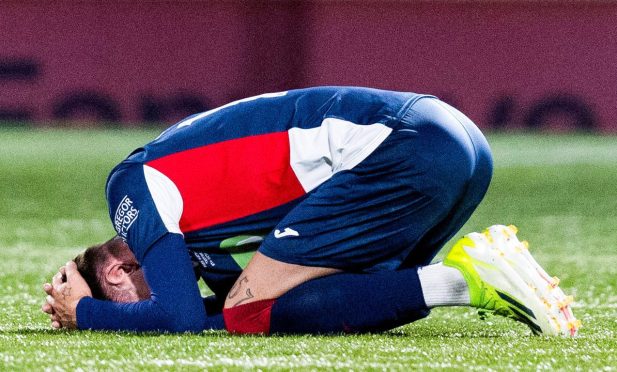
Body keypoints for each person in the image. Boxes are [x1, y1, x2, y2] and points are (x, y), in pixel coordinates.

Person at [41, 87, 579, 336]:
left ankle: (461, 281)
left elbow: (180, 318)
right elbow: (214, 309)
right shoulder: (203, 247)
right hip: (452, 137)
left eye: (127, 300)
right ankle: (467, 275)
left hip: (399, 147)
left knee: (248, 315)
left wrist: (85, 312)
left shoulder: (128, 191)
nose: (141, 308)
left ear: (117, 268)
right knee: (354, 296)